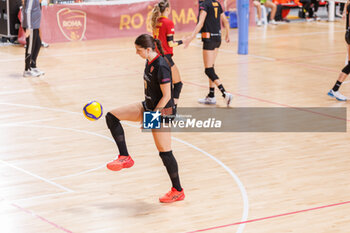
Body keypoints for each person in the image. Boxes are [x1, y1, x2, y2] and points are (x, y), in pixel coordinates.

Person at [105, 34, 185, 203]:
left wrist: (152, 116)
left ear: (149, 49)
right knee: (112, 116)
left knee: (165, 153)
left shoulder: (161, 66)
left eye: (138, 50)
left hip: (162, 112)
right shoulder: (148, 61)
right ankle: (125, 156)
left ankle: (177, 190)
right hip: (148, 106)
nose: (136, 53)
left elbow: (166, 96)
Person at [184, 0, 233, 106]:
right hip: (217, 39)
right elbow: (225, 21)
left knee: (208, 70)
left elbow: (200, 23)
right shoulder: (217, 3)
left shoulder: (204, 5)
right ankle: (211, 96)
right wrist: (228, 34)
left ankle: (225, 93)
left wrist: (190, 37)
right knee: (211, 67)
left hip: (209, 39)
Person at [151, 0, 183, 106]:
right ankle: (172, 112)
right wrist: (183, 41)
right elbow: (170, 43)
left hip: (155, 57)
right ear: (168, 9)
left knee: (163, 90)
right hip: (165, 58)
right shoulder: (168, 22)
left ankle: (166, 114)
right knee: (177, 84)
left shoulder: (155, 21)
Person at [328, 2, 350, 101]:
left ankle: (335, 89)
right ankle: (334, 89)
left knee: (349, 65)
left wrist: (345, 12)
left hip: (348, 34)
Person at [22, 0, 44, 77]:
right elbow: (27, 11)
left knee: (38, 44)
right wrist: (28, 27)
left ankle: (33, 66)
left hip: (35, 26)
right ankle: (27, 70)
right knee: (30, 48)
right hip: (30, 26)